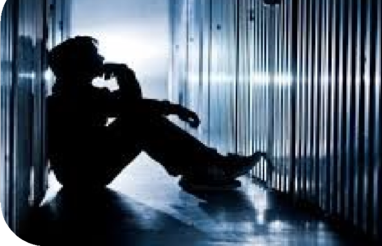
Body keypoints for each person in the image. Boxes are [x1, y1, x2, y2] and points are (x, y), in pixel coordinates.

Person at [46, 36, 264, 192]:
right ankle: (213, 167)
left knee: (141, 120)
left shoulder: (74, 93)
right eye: (94, 56)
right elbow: (133, 105)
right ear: (80, 64)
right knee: (141, 122)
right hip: (84, 175)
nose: (102, 58)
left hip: (82, 172)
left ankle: (202, 170)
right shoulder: (73, 96)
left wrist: (173, 108)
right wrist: (124, 72)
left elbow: (130, 104)